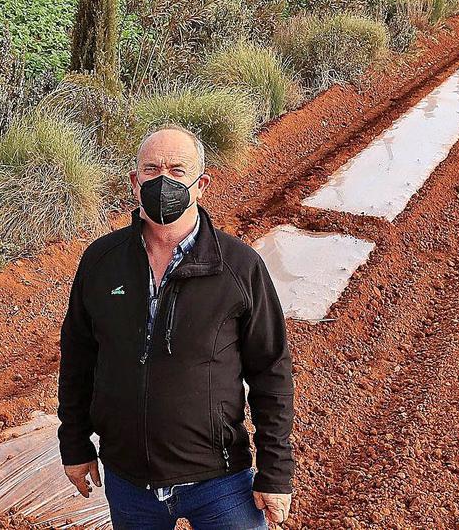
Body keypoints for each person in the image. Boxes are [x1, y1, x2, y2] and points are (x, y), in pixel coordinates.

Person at [58, 125, 294, 528]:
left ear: (201, 184)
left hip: (221, 482)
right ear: (135, 183)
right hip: (129, 483)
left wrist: (275, 470)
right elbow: (79, 357)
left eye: (177, 170)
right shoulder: (102, 261)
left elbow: (271, 370)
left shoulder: (238, 267)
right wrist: (75, 443)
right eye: (151, 169)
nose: (163, 180)